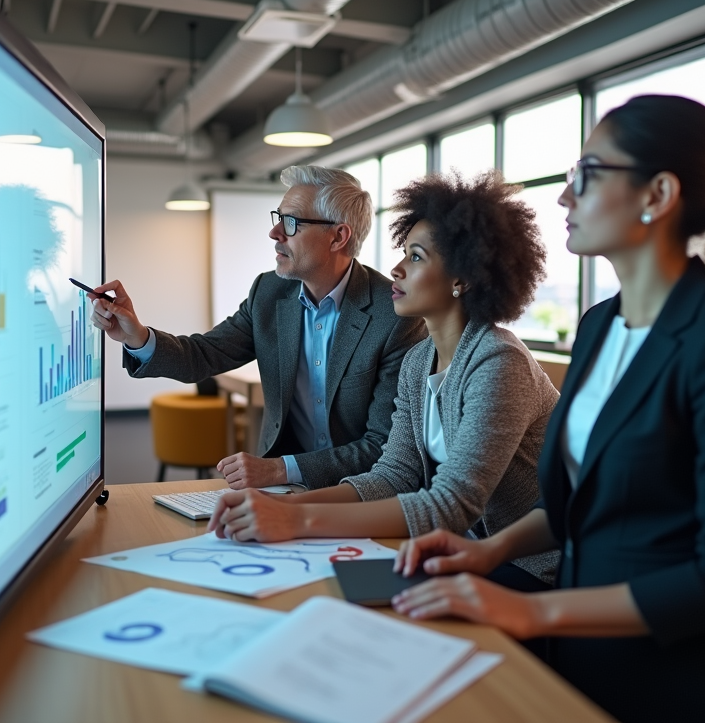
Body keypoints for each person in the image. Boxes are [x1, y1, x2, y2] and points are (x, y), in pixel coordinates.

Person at [390, 95, 705, 723]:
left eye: (586, 176)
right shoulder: (597, 327)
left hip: (678, 675)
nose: (564, 198)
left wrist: (533, 610)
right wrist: (490, 551)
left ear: (658, 194)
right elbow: (576, 506)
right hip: (584, 649)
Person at [209, 171, 560, 586]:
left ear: (461, 278)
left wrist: (296, 516)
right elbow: (391, 477)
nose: (395, 269)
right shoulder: (419, 361)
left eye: (415, 257)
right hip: (452, 553)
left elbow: (450, 505)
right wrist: (272, 505)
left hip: (527, 569)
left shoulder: (499, 362)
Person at [89, 166, 427, 489]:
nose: (274, 233)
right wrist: (138, 337)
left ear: (338, 236)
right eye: (278, 218)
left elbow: (383, 444)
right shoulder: (268, 292)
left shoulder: (395, 314)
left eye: (291, 222)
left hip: (359, 491)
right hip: (279, 488)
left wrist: (280, 469)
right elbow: (204, 354)